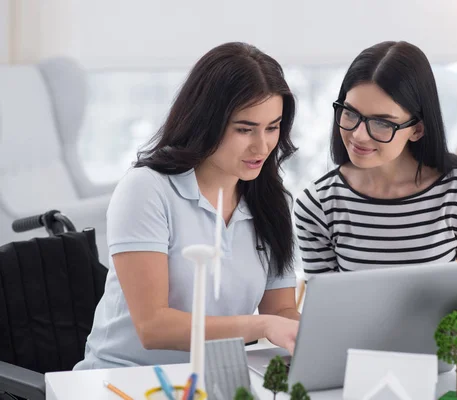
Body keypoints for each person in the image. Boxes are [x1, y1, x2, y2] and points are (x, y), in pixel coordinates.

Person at [75, 42, 300, 370]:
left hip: (217, 377)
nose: (262, 145)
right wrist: (261, 327)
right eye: (244, 129)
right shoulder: (147, 190)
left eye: (273, 127)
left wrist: (305, 330)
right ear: (205, 121)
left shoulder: (271, 202)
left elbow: (279, 312)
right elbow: (153, 327)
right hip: (124, 378)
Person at [294, 41, 457, 313]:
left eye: (382, 122)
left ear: (417, 129)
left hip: (442, 353)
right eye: (350, 113)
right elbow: (324, 316)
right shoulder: (317, 206)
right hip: (356, 354)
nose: (358, 135)